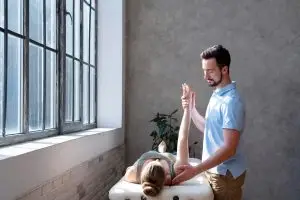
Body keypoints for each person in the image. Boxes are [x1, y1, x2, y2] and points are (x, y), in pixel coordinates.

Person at [172, 45, 247, 200]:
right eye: (204, 71)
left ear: (224, 69)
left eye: (210, 71)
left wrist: (195, 170)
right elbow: (209, 129)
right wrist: (190, 108)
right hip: (214, 172)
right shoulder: (218, 94)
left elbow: (229, 148)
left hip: (225, 177)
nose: (205, 76)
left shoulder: (231, 102)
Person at [124, 84, 196, 197]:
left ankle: (161, 151)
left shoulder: (133, 174)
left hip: (149, 156)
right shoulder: (176, 173)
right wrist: (187, 109)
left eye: (152, 163)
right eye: (158, 164)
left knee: (161, 152)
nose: (157, 161)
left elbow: (128, 170)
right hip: (168, 157)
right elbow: (183, 138)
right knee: (167, 154)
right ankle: (162, 152)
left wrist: (187, 107)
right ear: (166, 177)